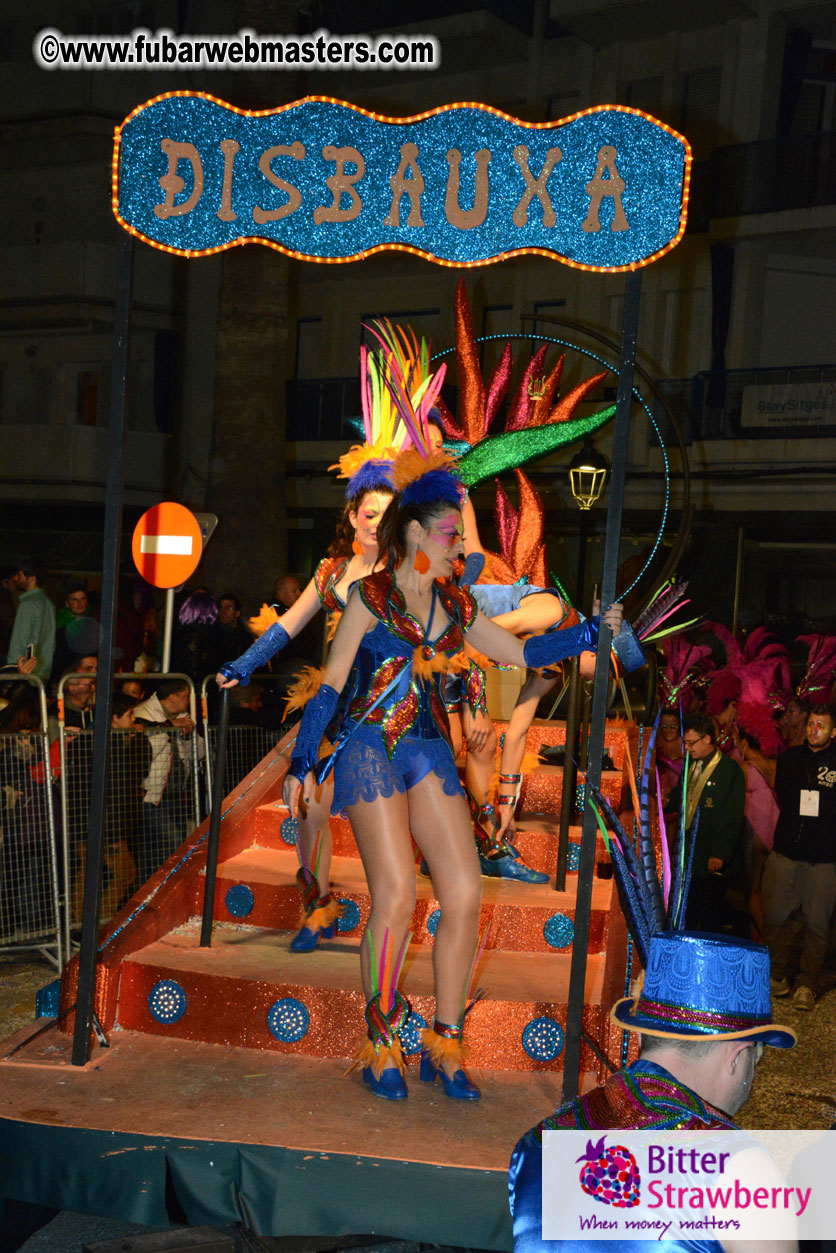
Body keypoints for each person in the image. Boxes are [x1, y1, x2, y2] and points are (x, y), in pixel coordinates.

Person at [282, 440, 622, 1103]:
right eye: (449, 533)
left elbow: (518, 650)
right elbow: (329, 687)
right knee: (398, 895)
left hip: (428, 746)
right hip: (367, 745)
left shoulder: (458, 607)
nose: (459, 545)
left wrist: (588, 634)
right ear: (413, 534)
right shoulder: (369, 600)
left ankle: (444, 1041)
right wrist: (301, 761)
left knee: (465, 893)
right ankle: (381, 1039)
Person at [508, 930, 796, 1252]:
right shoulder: (739, 1170)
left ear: (644, 1037)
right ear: (737, 1055)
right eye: (758, 1056)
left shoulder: (538, 1142)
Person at [763, 703, 836, 1010]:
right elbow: (783, 795)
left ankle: (807, 983)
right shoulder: (791, 758)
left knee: (817, 924)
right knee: (776, 917)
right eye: (810, 725)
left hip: (823, 858)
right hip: (787, 851)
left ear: (833, 732)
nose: (813, 730)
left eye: (820, 726)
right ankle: (777, 976)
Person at [669, 714, 746, 934]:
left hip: (709, 853)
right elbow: (683, 792)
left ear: (708, 739)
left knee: (708, 909)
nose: (687, 748)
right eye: (685, 743)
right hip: (688, 848)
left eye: (691, 743)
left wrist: (720, 853)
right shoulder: (691, 764)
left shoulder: (729, 771)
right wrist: (668, 801)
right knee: (688, 906)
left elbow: (732, 816)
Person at [132, 678, 197, 883]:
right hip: (151, 794)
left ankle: (158, 892)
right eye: (187, 695)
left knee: (159, 850)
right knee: (173, 843)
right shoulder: (142, 714)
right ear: (173, 697)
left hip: (174, 793)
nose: (190, 700)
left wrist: (186, 736)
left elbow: (198, 753)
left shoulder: (181, 717)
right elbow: (147, 751)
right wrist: (169, 728)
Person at [6, 562, 56, 681]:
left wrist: (11, 670)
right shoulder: (48, 603)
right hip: (42, 673)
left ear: (32, 577)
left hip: (24, 671)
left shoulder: (27, 604)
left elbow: (19, 640)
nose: (16, 578)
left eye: (20, 575)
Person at [216, 592, 252, 666]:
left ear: (237, 613)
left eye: (229, 608)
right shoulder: (213, 635)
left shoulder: (244, 638)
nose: (223, 612)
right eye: (221, 608)